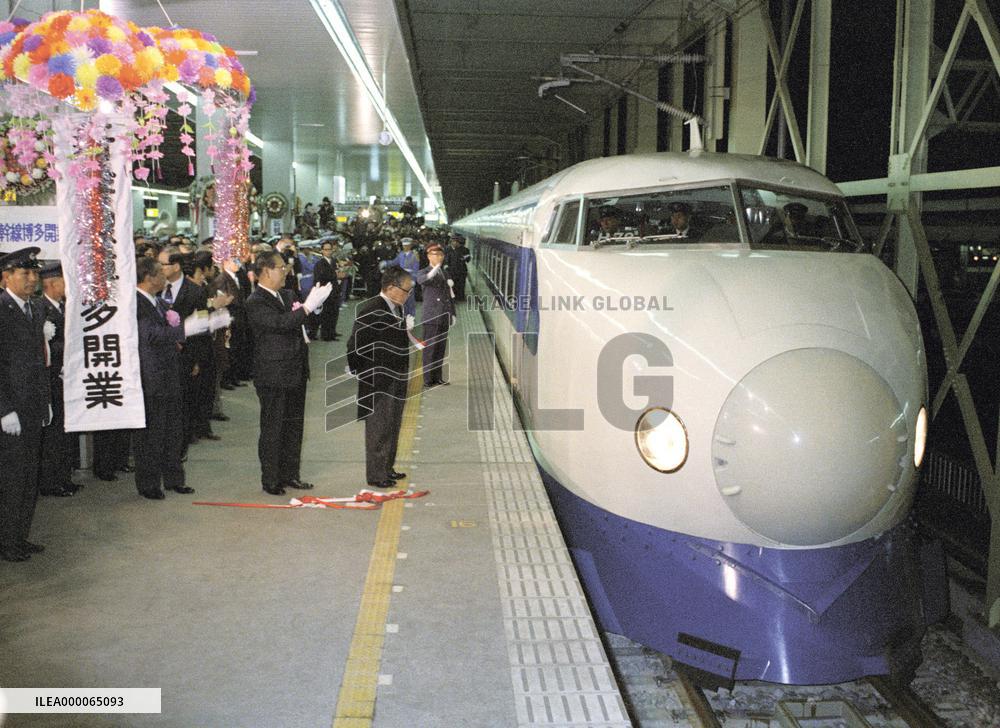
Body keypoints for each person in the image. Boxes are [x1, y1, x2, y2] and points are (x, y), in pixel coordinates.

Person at [246, 251, 332, 495]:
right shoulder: (256, 301)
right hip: (273, 372)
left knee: (294, 425)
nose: (286, 272)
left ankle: (290, 474)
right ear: (265, 271)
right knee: (273, 427)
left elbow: (299, 323)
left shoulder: (287, 294)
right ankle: (271, 478)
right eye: (281, 268)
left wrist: (314, 309)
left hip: (295, 369)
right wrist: (306, 308)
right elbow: (279, 324)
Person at [0, 247, 50, 561]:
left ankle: (19, 535)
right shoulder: (2, 309)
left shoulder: (33, 309)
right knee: (12, 479)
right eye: (25, 273)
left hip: (31, 408)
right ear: (6, 276)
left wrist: (45, 402)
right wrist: (3, 409)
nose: (32, 279)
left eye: (34, 273)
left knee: (29, 476)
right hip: (11, 411)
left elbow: (36, 363)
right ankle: (7, 542)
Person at [133, 256, 194, 499]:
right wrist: (186, 329)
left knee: (172, 431)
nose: (164, 276)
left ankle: (173, 478)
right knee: (152, 436)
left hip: (168, 374)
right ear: (148, 277)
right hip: (151, 377)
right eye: (160, 272)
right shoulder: (137, 303)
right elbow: (151, 335)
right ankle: (148, 484)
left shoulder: (156, 301)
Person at [347, 266, 412, 489]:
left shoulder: (397, 308)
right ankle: (376, 474)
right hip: (378, 379)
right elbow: (355, 344)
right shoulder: (371, 309)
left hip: (397, 375)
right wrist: (361, 370)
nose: (408, 295)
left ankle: (387, 467)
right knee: (378, 427)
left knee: (393, 424)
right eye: (406, 290)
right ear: (392, 288)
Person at [37, 262, 80, 497]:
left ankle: (64, 477)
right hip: (53, 380)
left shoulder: (63, 307)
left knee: (65, 432)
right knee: (53, 435)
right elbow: (46, 347)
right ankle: (51, 482)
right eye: (63, 281)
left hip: (68, 379)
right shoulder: (42, 309)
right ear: (52, 284)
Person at [416, 243, 455, 387]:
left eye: (441, 255)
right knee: (430, 349)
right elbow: (423, 280)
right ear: (428, 256)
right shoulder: (423, 271)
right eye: (435, 255)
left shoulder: (445, 273)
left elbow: (449, 296)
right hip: (431, 316)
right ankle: (427, 379)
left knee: (440, 349)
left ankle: (437, 377)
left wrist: (453, 313)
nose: (439, 257)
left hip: (443, 315)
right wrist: (436, 269)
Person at [312, 240, 341, 341]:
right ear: (322, 251)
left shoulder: (333, 260)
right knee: (326, 313)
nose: (328, 252)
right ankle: (326, 335)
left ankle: (332, 331)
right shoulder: (320, 263)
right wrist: (335, 275)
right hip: (325, 291)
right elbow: (320, 277)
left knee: (334, 312)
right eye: (326, 250)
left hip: (335, 289)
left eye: (330, 249)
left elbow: (338, 271)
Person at [386, 238, 420, 320]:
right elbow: (394, 262)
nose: (405, 247)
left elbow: (416, 268)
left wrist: (414, 279)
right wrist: (386, 263)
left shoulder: (414, 256)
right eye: (404, 245)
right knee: (402, 298)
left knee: (410, 299)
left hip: (409, 279)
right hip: (401, 279)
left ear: (410, 246)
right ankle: (404, 315)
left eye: (407, 245)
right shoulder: (401, 254)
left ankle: (411, 316)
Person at [446, 235, 470, 301]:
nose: (454, 243)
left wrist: (463, 258)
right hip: (451, 271)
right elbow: (446, 260)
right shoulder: (447, 249)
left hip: (461, 271)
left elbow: (468, 259)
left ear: (458, 242)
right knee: (451, 284)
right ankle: (452, 297)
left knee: (461, 285)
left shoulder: (465, 250)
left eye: (455, 242)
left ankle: (460, 297)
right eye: (453, 241)